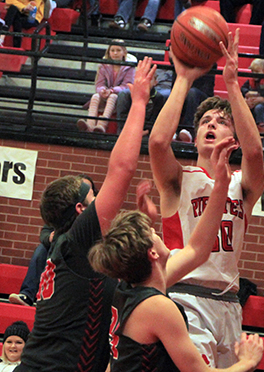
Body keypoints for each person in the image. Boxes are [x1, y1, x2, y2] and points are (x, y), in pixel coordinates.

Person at [14, 56, 157, 372]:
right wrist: (139, 102)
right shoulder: (77, 240)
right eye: (93, 197)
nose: (102, 202)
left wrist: (146, 222)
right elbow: (122, 168)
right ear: (81, 210)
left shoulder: (76, 249)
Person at [88, 139, 264, 372]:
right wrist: (248, 362)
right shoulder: (158, 307)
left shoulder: (129, 289)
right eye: (152, 233)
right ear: (152, 253)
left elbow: (198, 249)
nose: (156, 231)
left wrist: (222, 182)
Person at [148, 29, 264, 368]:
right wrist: (183, 78)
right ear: (196, 136)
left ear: (235, 136)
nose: (211, 125)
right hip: (184, 296)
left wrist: (231, 83)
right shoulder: (177, 180)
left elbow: (255, 151)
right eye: (205, 122)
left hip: (229, 303)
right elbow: (157, 143)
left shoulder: (241, 185)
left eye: (221, 121)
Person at [8, 174, 99, 307]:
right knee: (41, 249)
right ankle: (28, 293)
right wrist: (50, 238)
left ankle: (29, 294)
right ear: (79, 207)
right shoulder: (73, 240)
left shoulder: (65, 231)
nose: (97, 200)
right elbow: (44, 234)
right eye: (91, 196)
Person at [77, 39, 135, 133]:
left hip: (120, 97)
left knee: (112, 96)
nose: (115, 53)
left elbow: (127, 86)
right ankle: (90, 125)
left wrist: (112, 90)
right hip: (105, 94)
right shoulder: (103, 65)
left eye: (118, 50)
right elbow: (99, 84)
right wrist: (102, 90)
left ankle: (101, 125)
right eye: (112, 50)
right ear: (109, 52)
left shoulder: (130, 67)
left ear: (124, 52)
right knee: (95, 96)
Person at [116, 71, 165, 135]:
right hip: (127, 132)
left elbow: (156, 121)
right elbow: (121, 118)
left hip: (147, 133)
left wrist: (146, 132)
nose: (145, 81)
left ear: (155, 82)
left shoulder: (159, 98)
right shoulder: (126, 95)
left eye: (149, 79)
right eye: (143, 78)